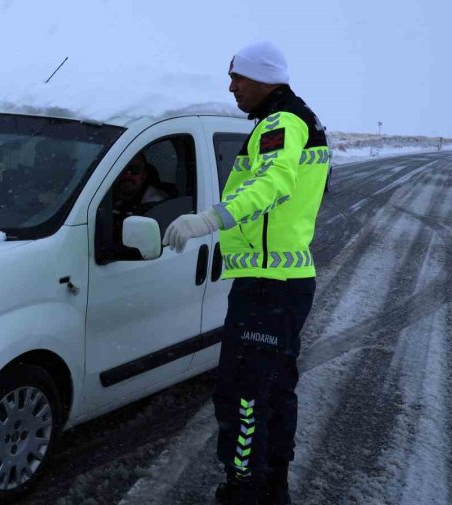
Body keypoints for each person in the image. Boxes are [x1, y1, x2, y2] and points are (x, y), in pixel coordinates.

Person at [162, 41, 330, 505]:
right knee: (274, 389)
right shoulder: (294, 119)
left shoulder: (281, 123)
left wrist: (209, 219)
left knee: (244, 394)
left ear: (264, 79)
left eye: (238, 78)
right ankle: (272, 485)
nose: (231, 86)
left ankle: (243, 490)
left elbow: (273, 184)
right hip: (283, 283)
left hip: (269, 287)